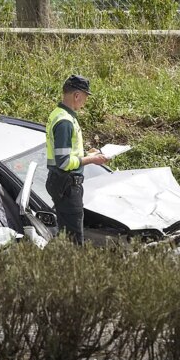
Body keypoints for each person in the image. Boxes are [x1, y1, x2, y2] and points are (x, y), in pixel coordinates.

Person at [45, 75, 108, 245]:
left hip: (61, 183)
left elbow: (66, 153)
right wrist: (91, 160)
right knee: (73, 241)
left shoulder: (59, 114)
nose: (85, 102)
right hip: (67, 186)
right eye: (85, 97)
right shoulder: (65, 121)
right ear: (77, 95)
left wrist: (89, 154)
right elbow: (64, 162)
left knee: (66, 235)